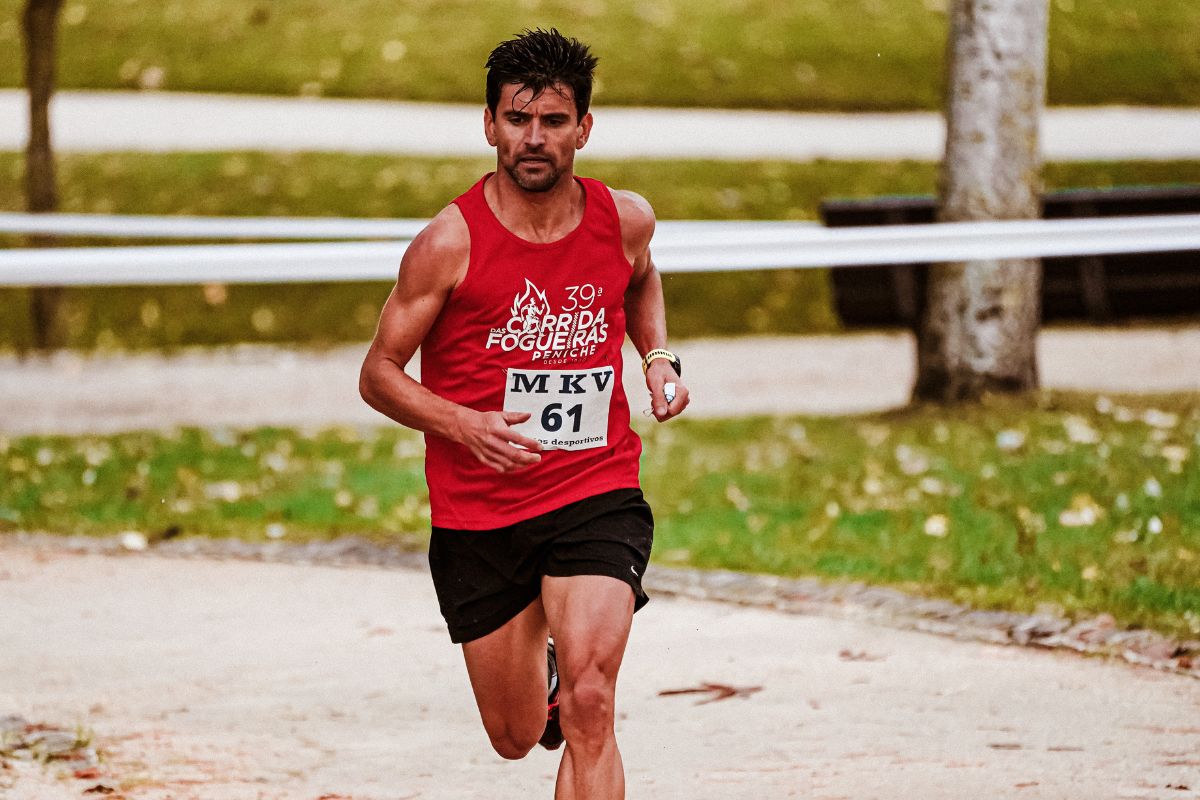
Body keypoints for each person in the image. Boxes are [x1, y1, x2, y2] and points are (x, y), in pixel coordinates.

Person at [359, 27, 688, 799]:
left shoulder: (625, 220)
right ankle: (541, 678)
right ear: (489, 125)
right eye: (517, 120)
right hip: (482, 515)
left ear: (584, 128)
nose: (533, 139)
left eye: (552, 121)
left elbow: (640, 279)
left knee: (592, 702)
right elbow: (377, 374)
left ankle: (568, 681)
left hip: (594, 489)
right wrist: (464, 423)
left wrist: (657, 358)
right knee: (513, 737)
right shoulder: (449, 242)